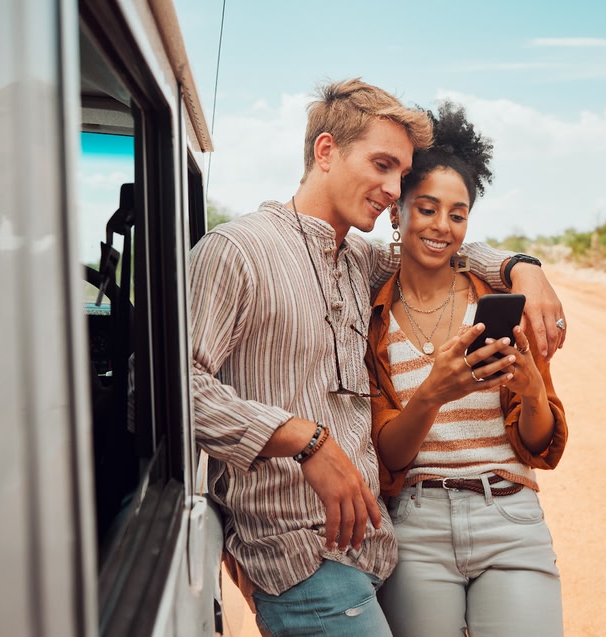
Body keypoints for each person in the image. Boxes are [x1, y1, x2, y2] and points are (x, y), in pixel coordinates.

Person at [189, 78, 567, 636]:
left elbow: (438, 244)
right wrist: (304, 439)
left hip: (370, 548)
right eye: (383, 165)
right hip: (298, 554)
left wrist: (522, 266)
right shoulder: (238, 250)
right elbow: (166, 386)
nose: (395, 188)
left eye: (401, 174)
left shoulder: (358, 264)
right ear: (325, 151)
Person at [367, 101, 568, 637]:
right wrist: (432, 394)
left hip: (510, 517)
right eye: (427, 208)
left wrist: (529, 391)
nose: (442, 226)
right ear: (398, 211)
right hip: (415, 526)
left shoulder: (500, 301)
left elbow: (538, 443)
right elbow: (389, 455)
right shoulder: (373, 317)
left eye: (457, 214)